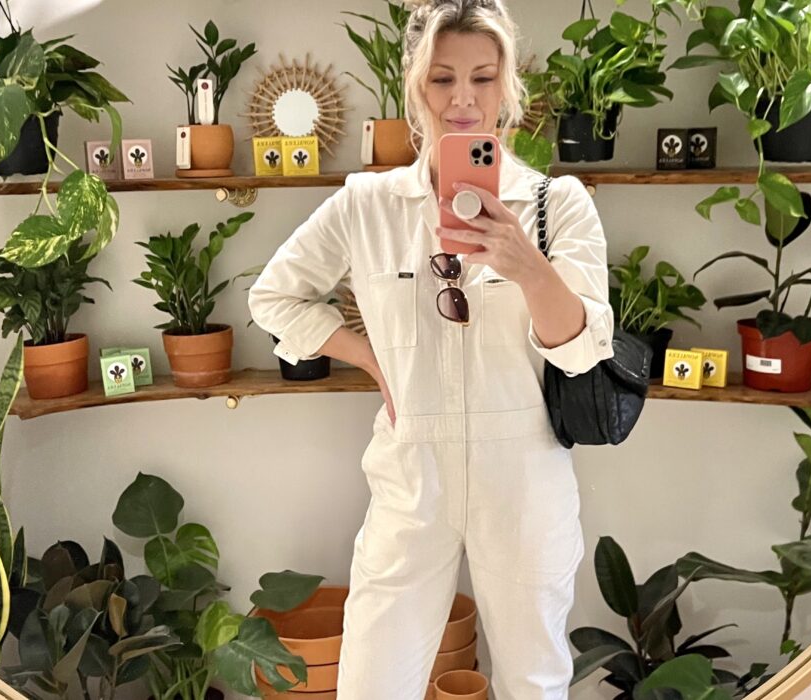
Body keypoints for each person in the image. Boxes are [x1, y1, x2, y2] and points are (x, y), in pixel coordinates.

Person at [247, 1, 614, 697]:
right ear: (416, 86)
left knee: (534, 683)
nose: (465, 99)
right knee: (372, 681)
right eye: (443, 79)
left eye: (483, 76)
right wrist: (371, 357)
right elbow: (275, 297)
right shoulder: (368, 204)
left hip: (525, 473)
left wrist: (524, 260)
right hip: (410, 470)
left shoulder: (555, 203)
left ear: (508, 84)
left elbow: (582, 350)